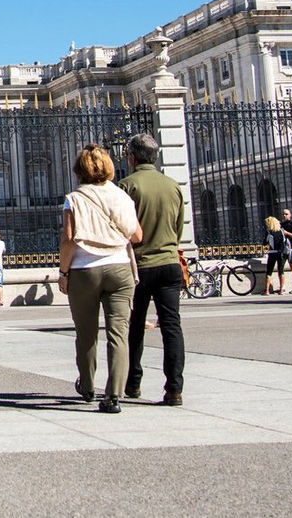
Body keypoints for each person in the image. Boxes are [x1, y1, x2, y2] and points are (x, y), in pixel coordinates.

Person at [60, 144, 142, 414]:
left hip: (85, 270)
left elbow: (69, 239)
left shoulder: (74, 198)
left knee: (86, 334)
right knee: (119, 334)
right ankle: (114, 395)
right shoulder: (122, 196)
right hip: (120, 268)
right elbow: (137, 236)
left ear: (79, 170)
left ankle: (87, 387)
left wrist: (63, 273)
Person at [118, 134, 185, 407]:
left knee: (134, 326)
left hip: (140, 266)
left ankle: (133, 383)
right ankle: (174, 389)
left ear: (132, 157)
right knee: (172, 327)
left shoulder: (127, 186)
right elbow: (178, 227)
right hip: (170, 263)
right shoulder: (173, 185)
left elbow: (122, 229)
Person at [262, 217, 287, 295]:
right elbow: (283, 242)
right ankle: (281, 289)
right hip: (280, 253)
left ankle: (267, 290)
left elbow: (265, 243)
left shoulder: (269, 232)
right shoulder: (281, 231)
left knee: (269, 272)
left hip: (272, 252)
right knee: (281, 271)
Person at [278, 208, 292, 295]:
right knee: (281, 267)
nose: (284, 215)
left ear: (290, 215)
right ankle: (282, 287)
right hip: (282, 248)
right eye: (283, 214)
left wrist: (287, 233)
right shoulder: (280, 224)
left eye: (286, 214)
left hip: (291, 248)